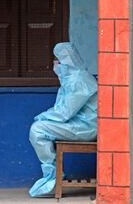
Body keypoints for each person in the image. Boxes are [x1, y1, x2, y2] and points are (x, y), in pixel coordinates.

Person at [29, 42, 97, 197]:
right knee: (40, 127)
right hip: (81, 124)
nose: (55, 64)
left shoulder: (78, 80)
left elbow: (64, 113)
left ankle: (53, 176)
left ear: (65, 60)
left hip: (86, 128)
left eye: (57, 60)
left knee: (38, 129)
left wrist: (43, 117)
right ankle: (53, 174)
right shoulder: (73, 78)